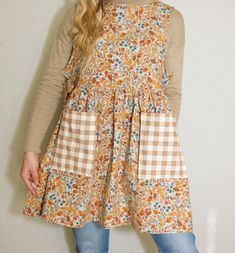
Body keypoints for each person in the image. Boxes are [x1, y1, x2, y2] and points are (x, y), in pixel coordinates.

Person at [20, 0, 200, 252]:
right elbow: (52, 82)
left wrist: (156, 148)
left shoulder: (170, 19)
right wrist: (31, 147)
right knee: (90, 246)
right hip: (86, 148)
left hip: (144, 148)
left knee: (179, 244)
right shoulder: (80, 13)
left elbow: (172, 91)